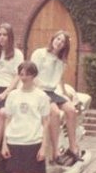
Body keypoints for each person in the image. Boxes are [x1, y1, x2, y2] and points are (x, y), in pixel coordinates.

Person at [0, 61, 51, 173]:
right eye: (21, 74)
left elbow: (46, 122)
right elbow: (7, 119)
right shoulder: (13, 95)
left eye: (27, 74)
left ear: (33, 76)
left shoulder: (41, 96)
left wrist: (44, 146)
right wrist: (4, 144)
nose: (24, 77)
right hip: (15, 140)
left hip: (33, 140)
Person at [30, 30, 81, 163]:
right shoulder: (40, 53)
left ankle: (73, 147)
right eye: (58, 39)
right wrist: (42, 92)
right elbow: (32, 75)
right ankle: (55, 152)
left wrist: (65, 93)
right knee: (55, 113)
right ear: (53, 39)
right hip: (39, 90)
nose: (59, 42)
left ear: (65, 46)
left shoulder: (61, 61)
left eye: (62, 41)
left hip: (52, 92)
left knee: (71, 110)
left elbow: (60, 79)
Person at [0, 23, 24, 157]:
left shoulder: (17, 54)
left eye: (5, 35)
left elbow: (17, 76)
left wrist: (5, 93)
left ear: (10, 37)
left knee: (2, 113)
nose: (1, 38)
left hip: (9, 89)